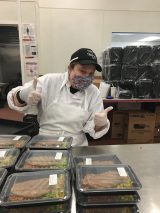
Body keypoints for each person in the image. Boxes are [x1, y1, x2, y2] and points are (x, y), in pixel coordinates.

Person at [7, 48, 113, 146]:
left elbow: (95, 129)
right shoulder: (49, 81)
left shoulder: (93, 92)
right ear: (70, 68)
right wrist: (23, 95)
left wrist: (100, 124)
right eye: (82, 71)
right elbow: (14, 100)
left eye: (90, 74)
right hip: (45, 142)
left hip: (76, 145)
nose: (86, 77)